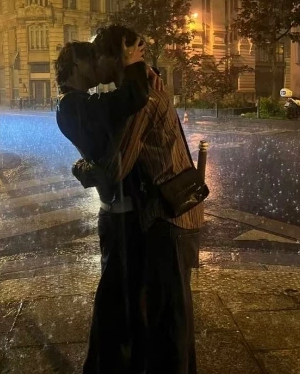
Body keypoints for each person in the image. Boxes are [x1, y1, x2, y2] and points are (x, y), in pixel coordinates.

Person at [84, 25, 208, 374]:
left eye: (98, 55)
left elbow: (118, 166)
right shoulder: (145, 87)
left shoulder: (144, 98)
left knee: (170, 319)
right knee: (173, 313)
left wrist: (86, 169)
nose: (95, 64)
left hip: (169, 217)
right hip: (174, 214)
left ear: (115, 56)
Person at [55, 38, 162, 374]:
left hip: (118, 211)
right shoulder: (74, 105)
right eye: (93, 60)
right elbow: (133, 97)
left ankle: (118, 361)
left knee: (122, 294)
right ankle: (107, 364)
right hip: (120, 215)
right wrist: (132, 63)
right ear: (76, 65)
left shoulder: (78, 104)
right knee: (117, 296)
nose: (99, 66)